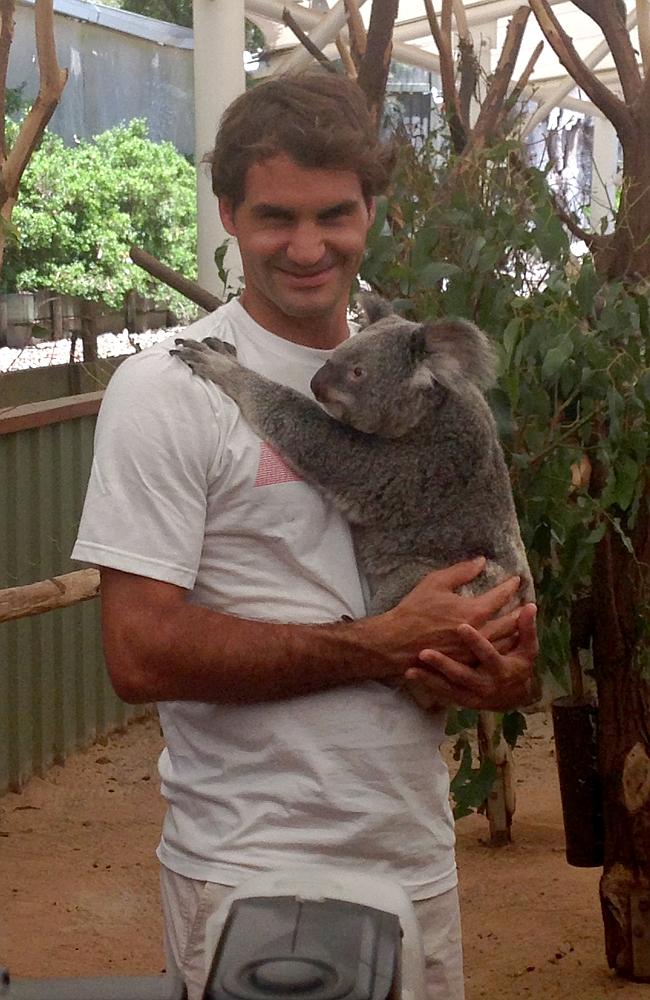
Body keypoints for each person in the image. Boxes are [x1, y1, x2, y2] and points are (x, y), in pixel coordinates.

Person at [72, 72, 537, 1000]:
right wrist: (377, 645)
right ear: (229, 213)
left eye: (335, 214)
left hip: (414, 852)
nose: (308, 245)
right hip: (248, 863)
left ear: (372, 209)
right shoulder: (168, 388)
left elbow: (498, 606)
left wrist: (504, 669)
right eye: (276, 216)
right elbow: (138, 655)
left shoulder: (416, 369)